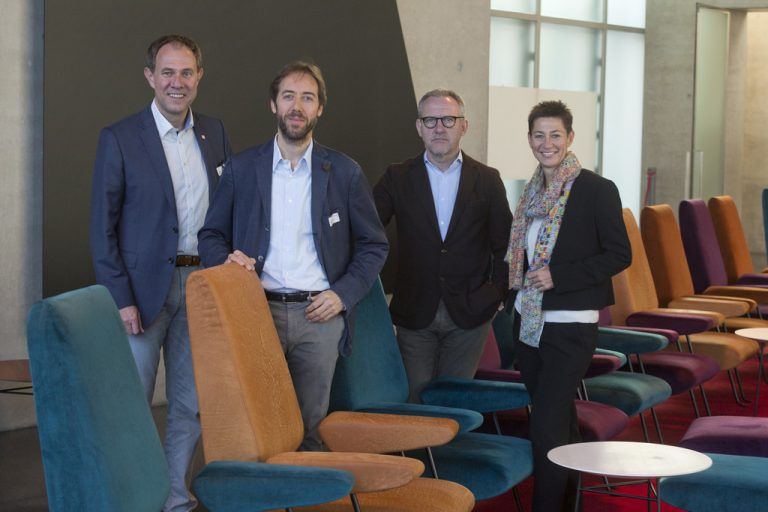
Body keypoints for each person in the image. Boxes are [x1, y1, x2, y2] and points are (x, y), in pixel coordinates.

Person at [198, 61, 388, 450]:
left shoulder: (345, 173)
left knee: (310, 427)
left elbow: (374, 245)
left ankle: (305, 504)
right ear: (273, 105)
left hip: (317, 318)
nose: (297, 106)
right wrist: (228, 261)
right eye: (288, 96)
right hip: (255, 311)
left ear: (320, 108)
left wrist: (342, 295)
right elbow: (210, 235)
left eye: (307, 98)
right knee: (252, 424)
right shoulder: (241, 168)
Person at [90, 35, 231, 511]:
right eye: (167, 72)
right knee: (132, 405)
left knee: (189, 405)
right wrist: (120, 297)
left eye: (186, 72)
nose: (177, 82)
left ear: (199, 77)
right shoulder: (120, 137)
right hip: (141, 294)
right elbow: (101, 227)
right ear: (150, 76)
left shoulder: (215, 132)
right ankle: (128, 499)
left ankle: (174, 498)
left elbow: (224, 214)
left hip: (200, 288)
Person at [506, 100, 631, 512]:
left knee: (544, 425)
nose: (547, 143)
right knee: (559, 422)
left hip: (571, 326)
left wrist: (559, 275)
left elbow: (619, 254)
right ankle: (573, 502)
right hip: (529, 327)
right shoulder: (530, 193)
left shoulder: (596, 189)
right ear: (529, 139)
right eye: (539, 135)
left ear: (570, 137)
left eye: (555, 134)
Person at [374, 89, 512, 403]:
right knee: (415, 401)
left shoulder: (487, 180)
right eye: (431, 119)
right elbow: (366, 229)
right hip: (414, 313)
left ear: (463, 126)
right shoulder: (397, 177)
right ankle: (419, 455)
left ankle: (448, 455)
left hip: (470, 316)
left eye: (448, 119)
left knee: (454, 403)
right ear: (419, 127)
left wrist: (495, 295)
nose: (439, 127)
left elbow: (506, 245)